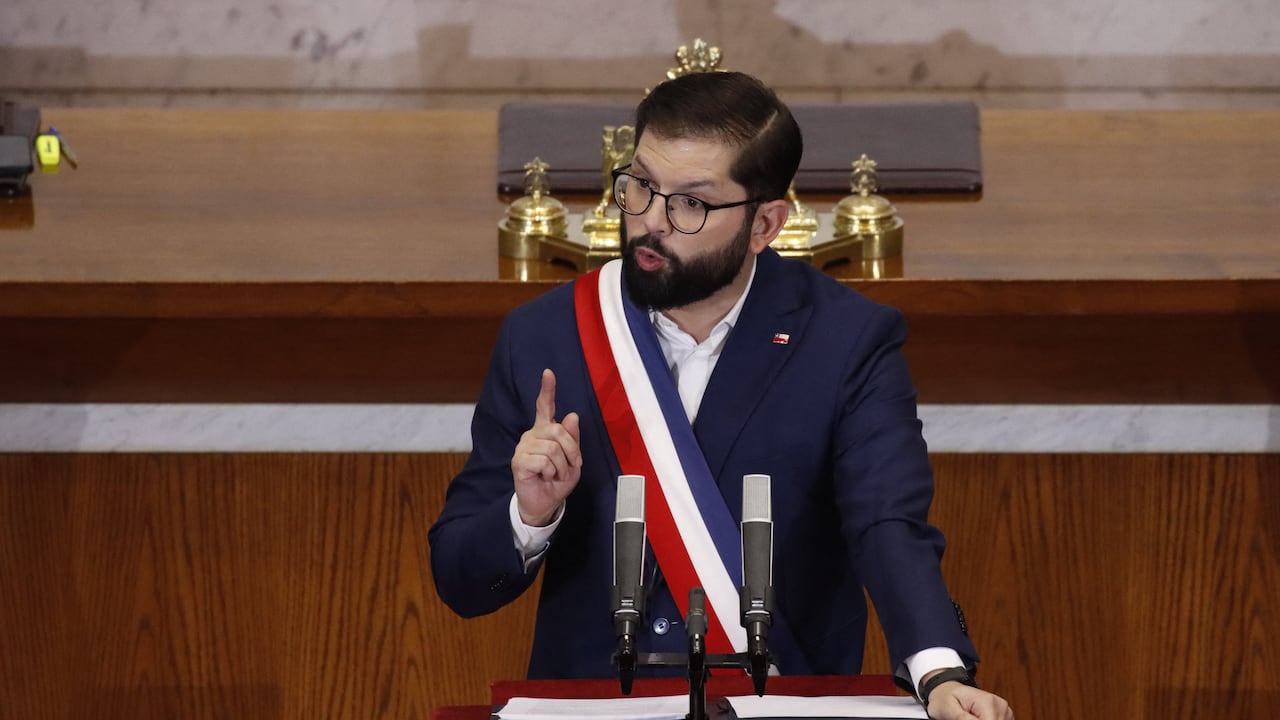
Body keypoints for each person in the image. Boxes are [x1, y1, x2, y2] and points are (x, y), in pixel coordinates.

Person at [429, 70, 1014, 720]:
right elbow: (459, 581)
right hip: (593, 705)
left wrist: (938, 671)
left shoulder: (847, 341)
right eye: (641, 187)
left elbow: (888, 525)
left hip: (776, 701)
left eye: (690, 204)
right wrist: (528, 514)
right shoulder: (546, 335)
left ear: (764, 223)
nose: (651, 223)